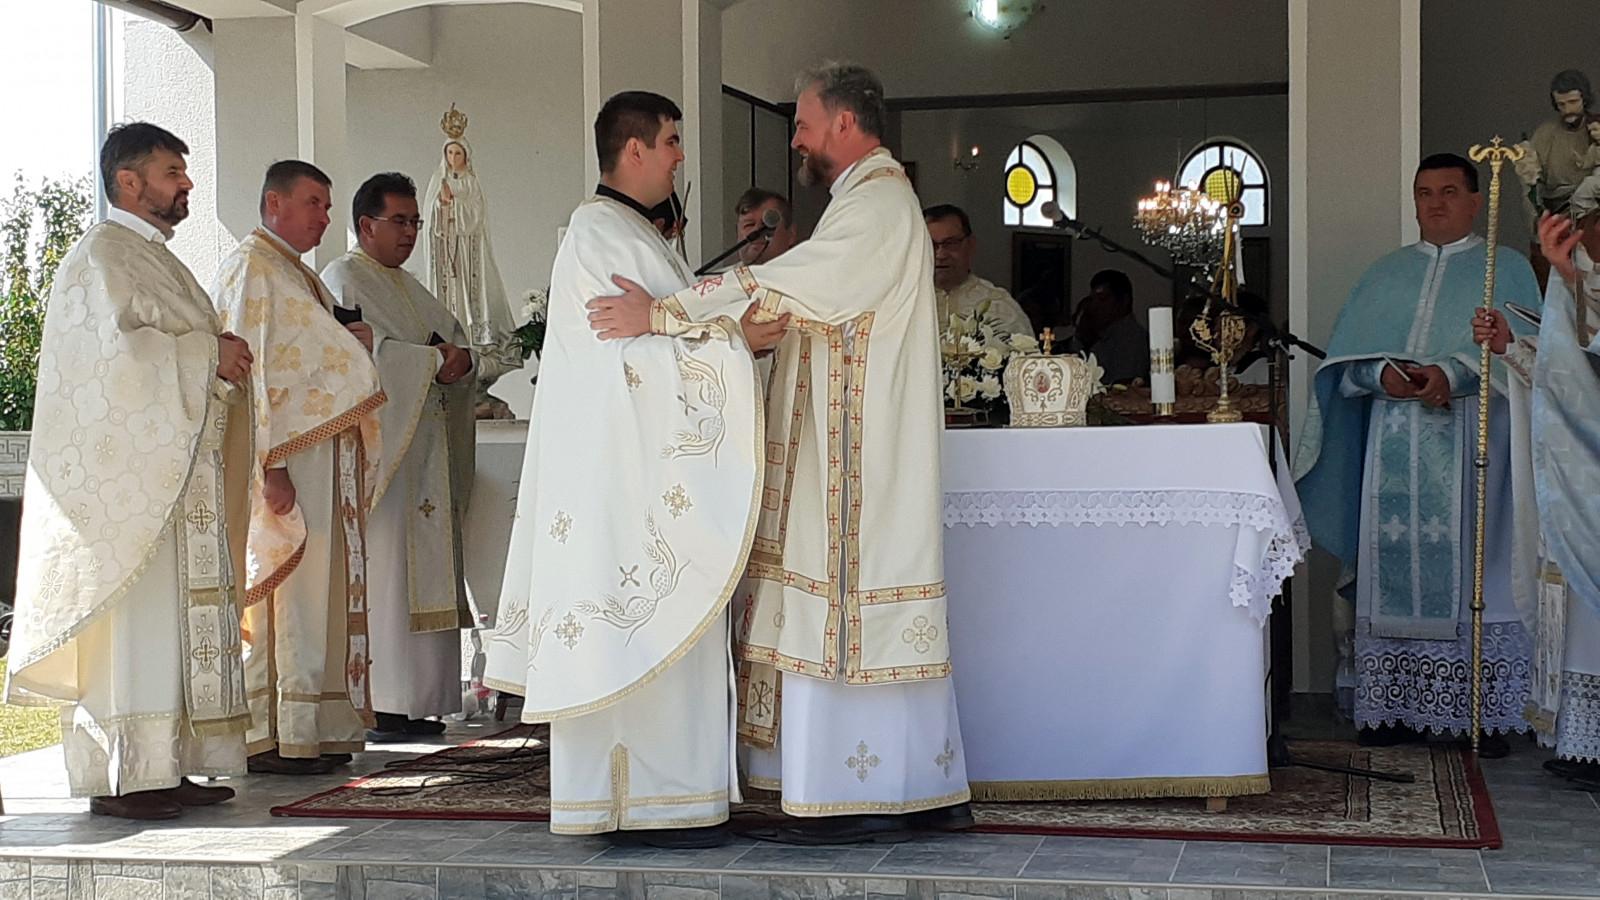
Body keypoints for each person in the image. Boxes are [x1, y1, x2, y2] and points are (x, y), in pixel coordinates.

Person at [587, 63, 972, 843]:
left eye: (802, 122)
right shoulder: (862, 200)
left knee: (846, 609)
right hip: (838, 450)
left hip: (854, 465)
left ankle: (859, 794)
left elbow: (789, 285)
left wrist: (663, 314)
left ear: (843, 123)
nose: (795, 138)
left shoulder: (879, 201)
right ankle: (891, 788)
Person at [482, 91, 785, 845]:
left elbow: (657, 337)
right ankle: (640, 801)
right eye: (672, 140)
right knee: (636, 628)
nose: (681, 155)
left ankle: (671, 798)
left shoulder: (631, 231)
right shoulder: (600, 234)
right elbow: (630, 367)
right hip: (623, 488)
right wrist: (734, 342)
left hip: (641, 480)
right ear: (636, 149)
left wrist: (717, 331)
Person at [4, 123, 253, 820]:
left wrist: (214, 353)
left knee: (169, 627)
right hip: (128, 498)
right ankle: (122, 776)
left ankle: (164, 764)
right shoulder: (102, 255)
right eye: (172, 172)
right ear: (129, 181)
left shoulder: (155, 258)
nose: (187, 184)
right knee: (134, 628)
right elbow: (113, 363)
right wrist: (208, 354)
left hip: (173, 480)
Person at [1293, 153, 1542, 756]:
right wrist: (1381, 373)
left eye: (1450, 191)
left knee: (1478, 570)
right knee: (1389, 574)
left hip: (1475, 450)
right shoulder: (1385, 274)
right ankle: (1392, 710)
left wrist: (1452, 372)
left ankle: (1477, 710)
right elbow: (1343, 369)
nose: (1435, 203)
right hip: (1391, 449)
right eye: (1425, 193)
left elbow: (1534, 357)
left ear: (1476, 201)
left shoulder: (1506, 268)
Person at [211, 160, 386, 775]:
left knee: (319, 596)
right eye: (314, 202)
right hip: (291, 463)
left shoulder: (295, 273)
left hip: (323, 459)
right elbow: (253, 380)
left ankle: (318, 728)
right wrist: (271, 465)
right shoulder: (254, 270)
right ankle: (278, 732)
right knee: (291, 595)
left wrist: (352, 344)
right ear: (274, 203)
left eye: (328, 205)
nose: (325, 217)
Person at [322, 173, 476, 741]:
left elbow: (450, 340)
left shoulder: (409, 286)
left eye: (415, 222)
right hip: (383, 462)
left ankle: (424, 700)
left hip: (426, 456)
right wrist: (433, 362)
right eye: (400, 221)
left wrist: (463, 361)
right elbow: (364, 357)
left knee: (424, 573)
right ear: (366, 225)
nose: (410, 232)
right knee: (387, 575)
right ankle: (385, 701)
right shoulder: (343, 278)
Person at [1474, 201, 1600, 783]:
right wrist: (1509, 347)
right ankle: (1583, 739)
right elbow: (1567, 382)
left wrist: (1571, 281)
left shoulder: (1583, 288)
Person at [420, 120, 522, 419]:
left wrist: (455, 207)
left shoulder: (471, 183)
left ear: (466, 156)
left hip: (470, 256)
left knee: (474, 301)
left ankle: (477, 356)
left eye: (458, 153)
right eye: (449, 153)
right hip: (447, 259)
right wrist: (441, 207)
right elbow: (431, 221)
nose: (454, 159)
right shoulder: (438, 183)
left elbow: (475, 217)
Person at [923, 204, 1032, 338]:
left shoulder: (999, 305)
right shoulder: (905, 301)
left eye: (951, 243)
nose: (941, 255)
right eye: (931, 244)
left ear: (971, 244)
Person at [1072, 270, 1148, 385]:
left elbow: (1122, 386)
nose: (1095, 306)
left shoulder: (1131, 339)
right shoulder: (1100, 337)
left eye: (1102, 299)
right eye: (1093, 300)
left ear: (1124, 300)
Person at [735, 188, 799, 265]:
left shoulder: (806, 272)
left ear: (791, 234)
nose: (757, 229)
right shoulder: (726, 273)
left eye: (768, 224)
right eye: (749, 225)